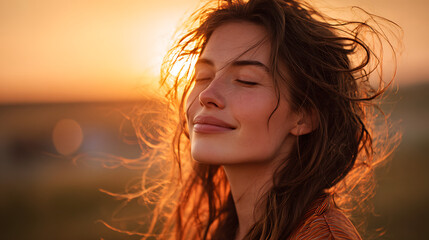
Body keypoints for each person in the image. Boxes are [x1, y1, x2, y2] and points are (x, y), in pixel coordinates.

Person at [114, 0, 400, 239]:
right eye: (202, 76)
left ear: (304, 116)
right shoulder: (224, 230)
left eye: (246, 80)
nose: (207, 95)